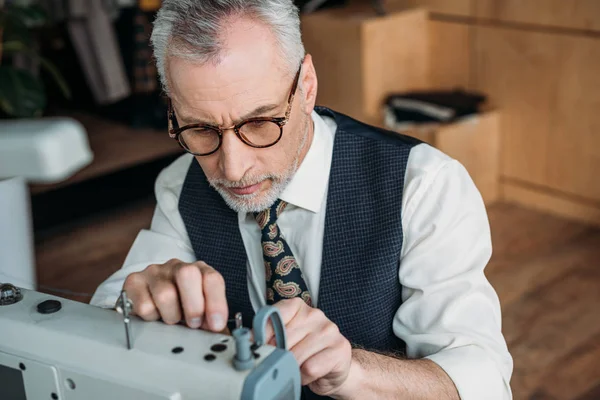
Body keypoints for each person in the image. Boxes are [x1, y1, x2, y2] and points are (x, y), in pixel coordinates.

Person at [90, 0, 513, 399]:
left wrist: (353, 371)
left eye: (259, 122)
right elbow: (106, 316)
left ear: (306, 86)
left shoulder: (423, 184)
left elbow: (480, 380)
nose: (234, 170)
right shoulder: (180, 183)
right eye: (200, 129)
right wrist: (139, 298)